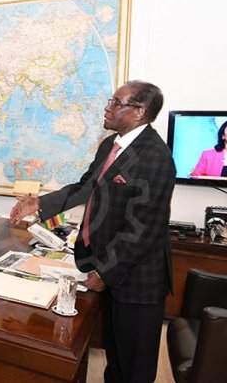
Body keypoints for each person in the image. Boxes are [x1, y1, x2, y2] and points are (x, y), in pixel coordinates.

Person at [9, 80, 175, 383]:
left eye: (115, 102)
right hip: (111, 264)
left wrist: (105, 271)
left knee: (134, 366)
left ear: (138, 111)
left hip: (137, 278)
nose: (107, 108)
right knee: (115, 356)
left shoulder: (155, 156)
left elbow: (143, 227)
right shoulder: (111, 145)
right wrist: (38, 203)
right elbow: (85, 186)